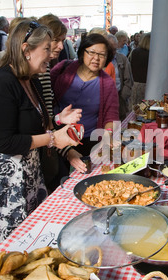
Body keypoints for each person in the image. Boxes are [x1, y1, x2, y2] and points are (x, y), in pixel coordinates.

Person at [0, 20, 81, 255]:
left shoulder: (30, 79)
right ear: (26, 50)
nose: (52, 54)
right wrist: (51, 139)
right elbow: (4, 142)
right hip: (2, 185)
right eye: (47, 48)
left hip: (25, 176)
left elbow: (27, 121)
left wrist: (57, 120)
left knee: (29, 244)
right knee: (8, 252)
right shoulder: (1, 84)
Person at [50, 33, 119, 174]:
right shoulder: (64, 69)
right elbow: (45, 95)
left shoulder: (107, 83)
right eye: (92, 52)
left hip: (88, 141)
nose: (96, 58)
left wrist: (108, 134)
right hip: (57, 136)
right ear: (82, 52)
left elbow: (111, 115)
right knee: (56, 176)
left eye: (102, 55)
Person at [37, 13, 83, 192]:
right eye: (56, 40)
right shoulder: (37, 71)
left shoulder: (45, 67)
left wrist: (57, 119)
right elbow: (39, 125)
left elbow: (45, 120)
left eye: (62, 40)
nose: (59, 46)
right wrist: (66, 150)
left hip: (47, 148)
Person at [107, 34, 134, 121]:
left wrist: (122, 97)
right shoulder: (101, 59)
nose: (113, 51)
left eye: (115, 49)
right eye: (111, 49)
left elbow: (128, 80)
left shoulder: (122, 59)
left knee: (118, 124)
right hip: (104, 99)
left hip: (119, 97)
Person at [129, 32, 150, 108]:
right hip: (147, 85)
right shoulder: (151, 54)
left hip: (135, 84)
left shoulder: (135, 52)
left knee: (135, 108)